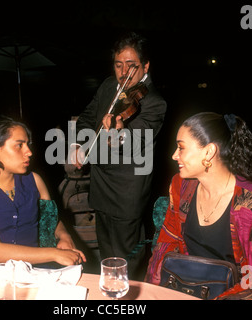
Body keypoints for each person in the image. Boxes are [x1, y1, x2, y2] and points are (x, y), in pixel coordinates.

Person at [145, 112, 252, 299]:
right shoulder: (181, 186)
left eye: (181, 148)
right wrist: (152, 290)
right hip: (183, 287)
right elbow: (168, 240)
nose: (174, 155)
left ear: (208, 152)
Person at [69, 32, 167, 279]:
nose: (124, 72)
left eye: (131, 65)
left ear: (145, 66)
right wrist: (79, 144)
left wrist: (120, 133)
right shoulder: (107, 87)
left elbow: (137, 142)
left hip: (126, 192)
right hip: (101, 187)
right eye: (118, 64)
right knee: (106, 256)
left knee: (127, 260)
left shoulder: (154, 102)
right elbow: (86, 119)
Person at [0, 115, 86, 272]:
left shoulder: (35, 181)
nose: (29, 152)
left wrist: (64, 235)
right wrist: (54, 254)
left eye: (28, 145)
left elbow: (50, 218)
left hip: (36, 271)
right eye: (19, 145)